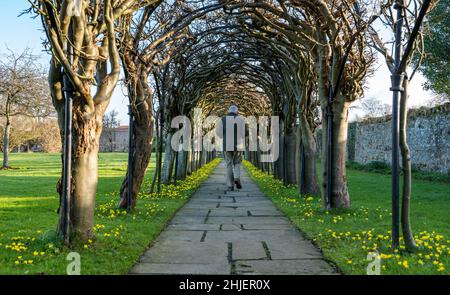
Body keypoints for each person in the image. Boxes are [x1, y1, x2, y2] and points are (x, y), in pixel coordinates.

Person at [217, 105, 246, 191]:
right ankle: (237, 177)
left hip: (227, 145)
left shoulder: (223, 119)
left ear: (228, 111)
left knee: (229, 164)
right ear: (237, 112)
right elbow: (245, 132)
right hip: (238, 145)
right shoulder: (241, 119)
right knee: (237, 162)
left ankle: (230, 185)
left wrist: (224, 136)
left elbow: (218, 132)